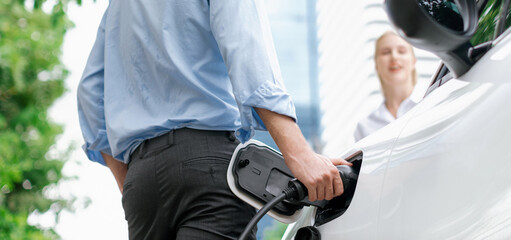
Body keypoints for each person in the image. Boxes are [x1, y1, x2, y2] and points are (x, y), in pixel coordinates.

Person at [76, 0, 350, 239]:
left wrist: (132, 181)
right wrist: (299, 154)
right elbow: (245, 48)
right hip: (207, 169)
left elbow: (89, 95)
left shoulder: (118, 6)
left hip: (141, 182)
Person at [354, 31, 418, 142]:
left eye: (401, 51)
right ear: (376, 65)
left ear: (413, 61)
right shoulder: (365, 127)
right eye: (385, 52)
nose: (394, 57)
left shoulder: (431, 104)